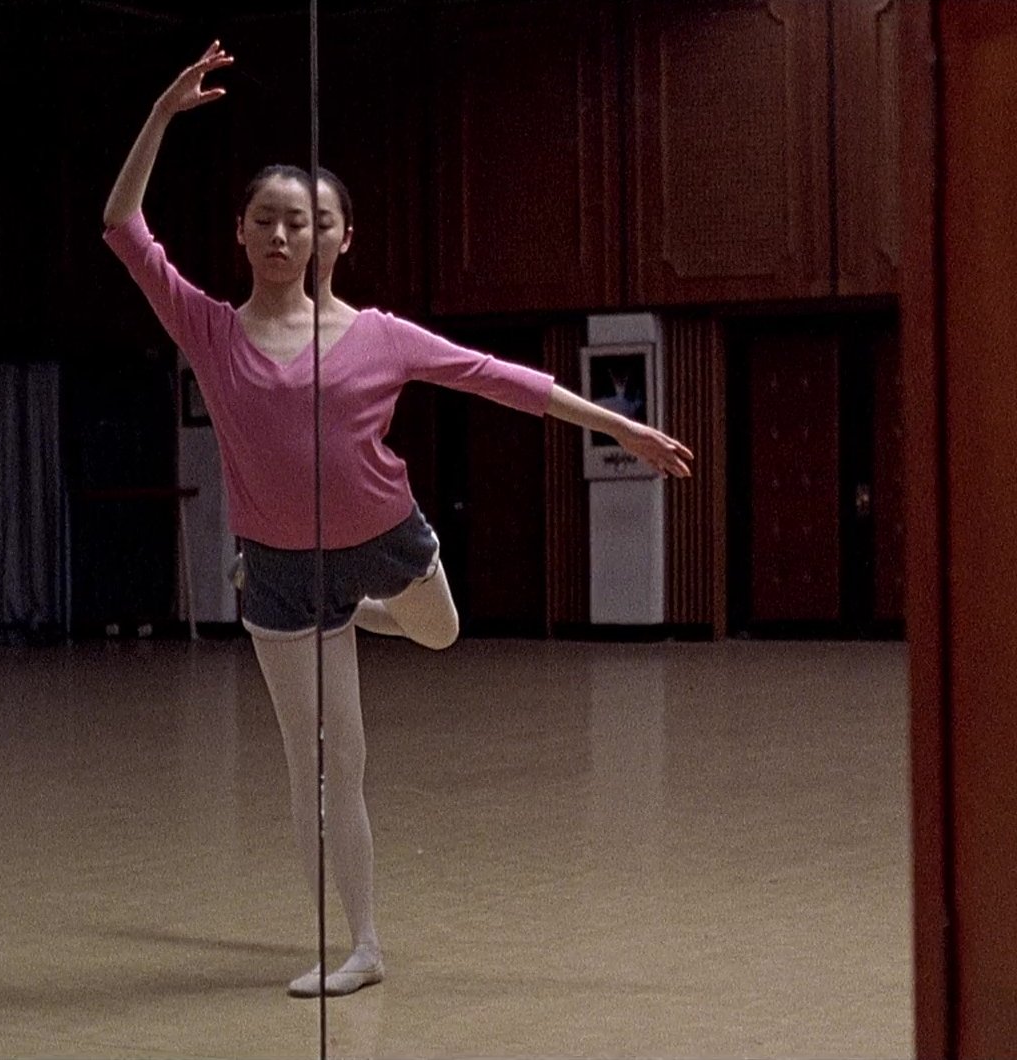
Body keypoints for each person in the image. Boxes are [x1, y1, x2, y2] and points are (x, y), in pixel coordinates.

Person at [101, 41, 694, 998]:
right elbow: (123, 227)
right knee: (324, 765)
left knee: (441, 634)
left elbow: (502, 380)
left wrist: (621, 425)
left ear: (334, 240)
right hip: (279, 570)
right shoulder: (207, 329)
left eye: (302, 222)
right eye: (267, 220)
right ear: (242, 234)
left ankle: (369, 609)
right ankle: (361, 945)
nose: (283, 235)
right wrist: (164, 111)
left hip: (386, 542)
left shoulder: (379, 336)